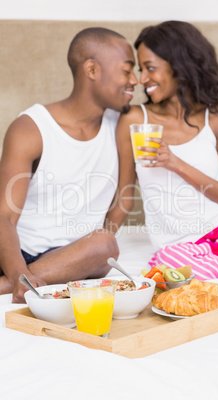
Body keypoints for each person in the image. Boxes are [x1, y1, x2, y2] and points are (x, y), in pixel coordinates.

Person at [112, 21, 218, 285]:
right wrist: (98, 239)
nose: (142, 79)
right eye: (141, 69)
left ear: (179, 67)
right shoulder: (135, 120)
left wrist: (174, 162)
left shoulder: (217, 117)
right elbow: (124, 195)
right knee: (175, 273)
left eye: (150, 68)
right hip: (177, 244)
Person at [0, 27, 138, 302]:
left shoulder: (124, 125)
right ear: (92, 69)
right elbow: (4, 217)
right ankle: (16, 282)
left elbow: (125, 196)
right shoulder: (31, 128)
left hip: (77, 254)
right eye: (126, 70)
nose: (135, 80)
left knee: (105, 244)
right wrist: (18, 274)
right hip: (16, 252)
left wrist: (89, 251)